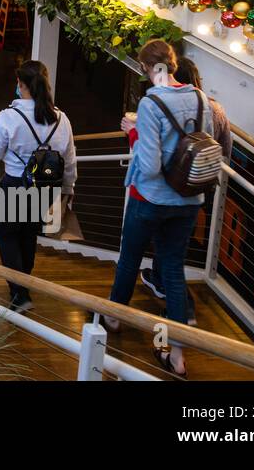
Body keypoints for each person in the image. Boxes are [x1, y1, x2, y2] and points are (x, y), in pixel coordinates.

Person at [105, 40, 210, 377]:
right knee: (174, 272)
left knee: (129, 259)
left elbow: (148, 166)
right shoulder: (198, 97)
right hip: (187, 200)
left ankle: (113, 317)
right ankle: (177, 355)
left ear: (148, 68)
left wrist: (134, 133)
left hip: (149, 198)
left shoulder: (151, 104)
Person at [0, 60, 77, 312]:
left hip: (15, 185)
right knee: (28, 234)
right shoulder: (61, 119)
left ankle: (20, 294)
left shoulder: (8, 117)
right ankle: (22, 287)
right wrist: (67, 192)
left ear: (20, 84)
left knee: (7, 235)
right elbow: (69, 161)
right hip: (46, 189)